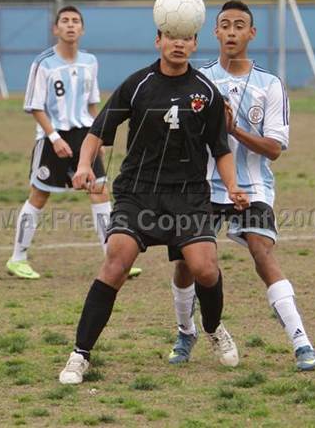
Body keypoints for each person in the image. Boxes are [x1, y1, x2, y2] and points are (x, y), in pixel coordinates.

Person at [58, 25, 250, 384]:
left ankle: (212, 327)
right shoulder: (138, 84)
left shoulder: (206, 92)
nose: (178, 43)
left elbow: (220, 148)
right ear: (158, 41)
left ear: (194, 43)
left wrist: (234, 186)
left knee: (205, 269)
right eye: (171, 36)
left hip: (188, 195)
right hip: (138, 192)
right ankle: (79, 355)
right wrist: (85, 165)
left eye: (186, 37)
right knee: (116, 263)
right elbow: (98, 131)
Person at [168, 0, 315, 372]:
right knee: (187, 265)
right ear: (215, 33)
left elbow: (274, 149)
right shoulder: (196, 81)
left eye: (240, 25)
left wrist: (233, 128)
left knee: (263, 254)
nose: (232, 31)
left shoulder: (270, 85)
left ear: (252, 33)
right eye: (225, 25)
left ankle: (301, 340)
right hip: (201, 188)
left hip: (252, 187)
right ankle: (186, 331)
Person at [5, 5, 142, 280]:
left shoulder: (90, 61)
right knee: (40, 195)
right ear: (55, 29)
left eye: (75, 21)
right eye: (64, 21)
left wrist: (99, 135)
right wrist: (54, 138)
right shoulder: (43, 63)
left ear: (82, 29)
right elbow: (34, 106)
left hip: (84, 135)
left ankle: (113, 258)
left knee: (100, 192)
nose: (70, 25)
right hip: (52, 135)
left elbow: (93, 104)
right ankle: (17, 258)